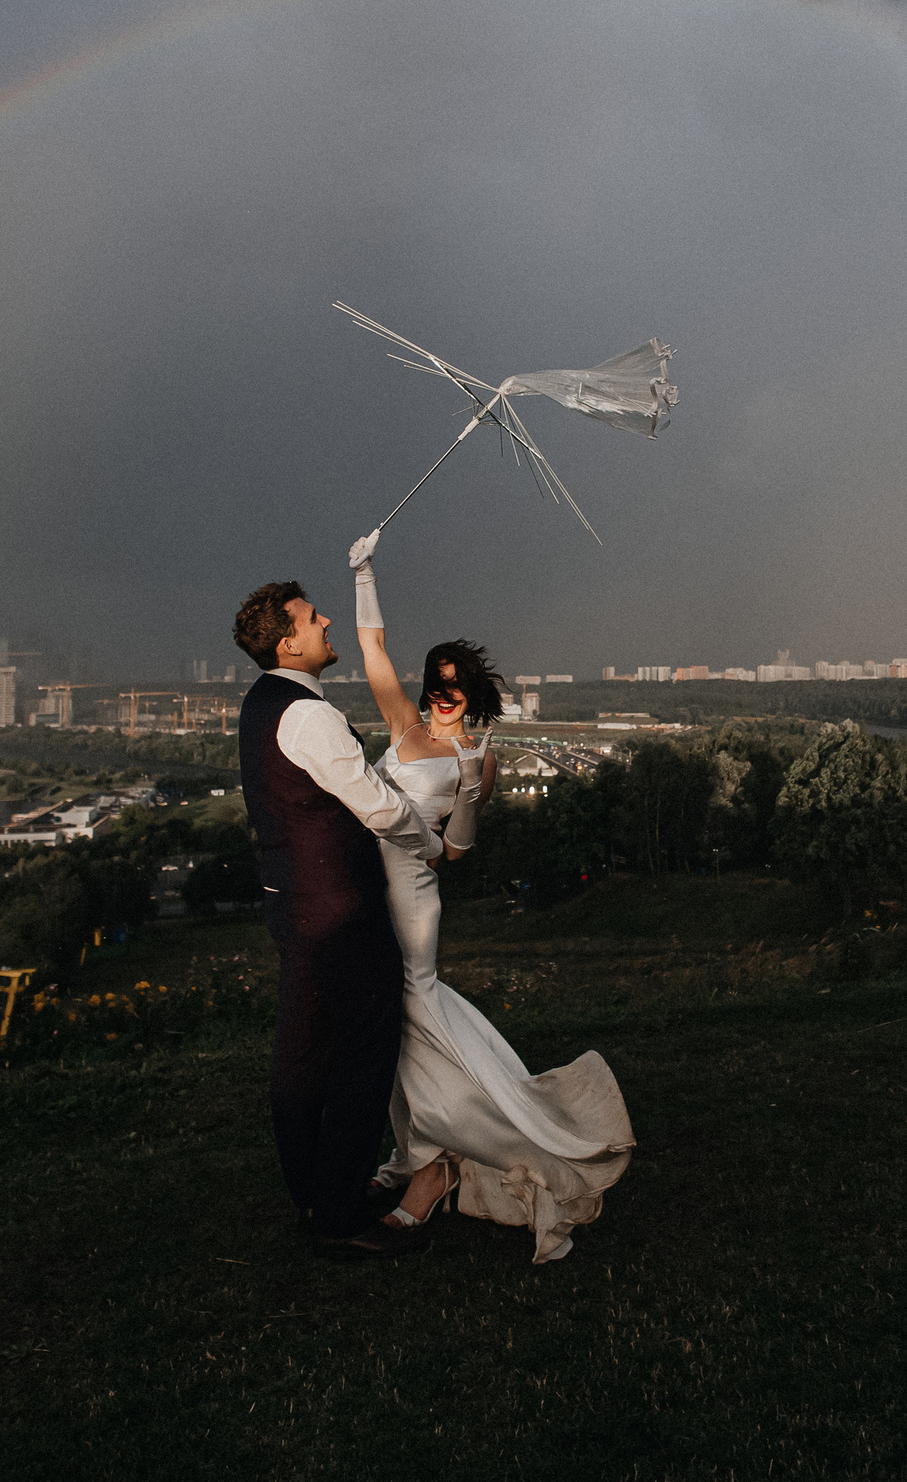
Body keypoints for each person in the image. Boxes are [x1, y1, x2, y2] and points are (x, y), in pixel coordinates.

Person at [348, 528, 634, 1263]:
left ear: (473, 695)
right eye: (436, 684)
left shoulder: (481, 755)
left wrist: (470, 794)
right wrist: (364, 569)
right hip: (366, 888)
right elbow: (373, 651)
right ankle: (424, 1151)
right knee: (399, 1027)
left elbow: (455, 851)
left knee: (412, 1013)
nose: (444, 696)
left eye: (457, 687)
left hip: (412, 896)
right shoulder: (403, 724)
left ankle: (435, 1159)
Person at [232, 579, 444, 1261]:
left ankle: (312, 1191)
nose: (326, 623)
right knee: (362, 1052)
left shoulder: (260, 703)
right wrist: (430, 839)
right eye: (312, 616)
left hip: (290, 904)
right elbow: (375, 804)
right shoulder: (309, 715)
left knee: (301, 1054)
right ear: (288, 641)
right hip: (340, 911)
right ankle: (342, 1209)